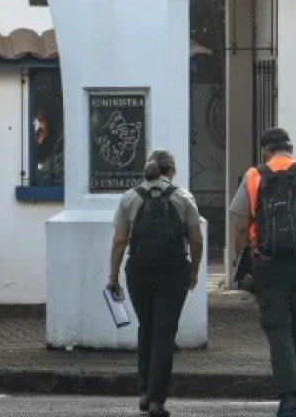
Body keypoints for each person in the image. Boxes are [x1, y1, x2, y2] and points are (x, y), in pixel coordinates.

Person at [231, 128, 296, 416]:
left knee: (278, 329)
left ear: (265, 151)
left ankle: (289, 394)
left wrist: (242, 260)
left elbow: (241, 224)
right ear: (291, 149)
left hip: (268, 264)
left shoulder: (254, 176)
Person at [108, 149, 204, 417]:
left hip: (138, 273)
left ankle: (144, 391)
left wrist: (113, 276)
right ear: (171, 170)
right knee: (164, 333)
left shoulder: (129, 198)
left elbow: (119, 241)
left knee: (146, 329)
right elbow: (196, 240)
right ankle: (156, 400)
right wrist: (194, 270)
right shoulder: (183, 197)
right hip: (173, 274)